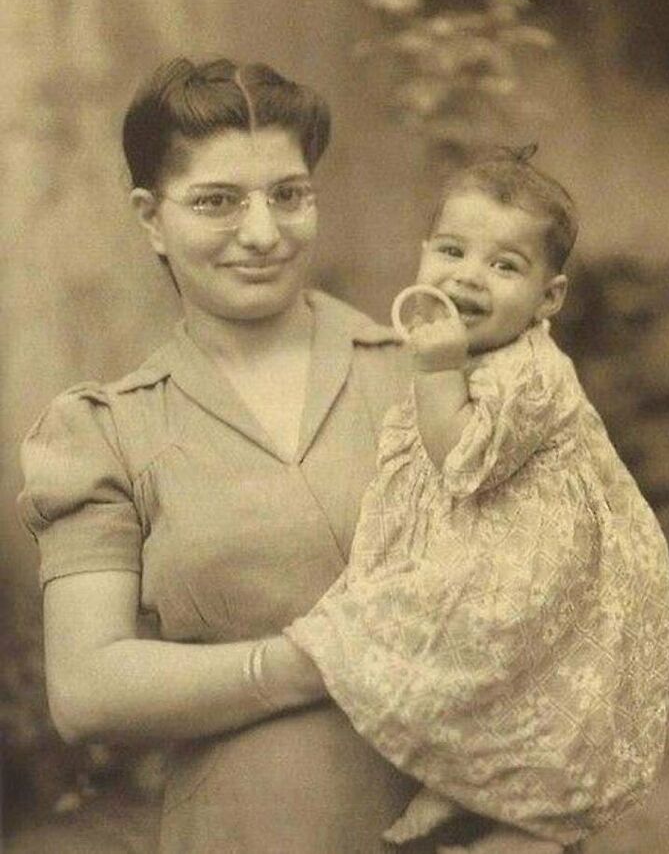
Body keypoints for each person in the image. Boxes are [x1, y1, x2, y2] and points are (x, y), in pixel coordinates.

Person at [17, 56, 479, 854]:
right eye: (217, 201)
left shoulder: (425, 376)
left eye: (289, 195)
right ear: (151, 218)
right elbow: (88, 688)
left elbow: (546, 589)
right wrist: (303, 663)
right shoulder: (106, 430)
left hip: (476, 825)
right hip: (248, 830)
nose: (262, 232)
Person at [286, 147, 669, 852]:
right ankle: (463, 783)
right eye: (453, 250)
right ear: (423, 254)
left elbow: (461, 459)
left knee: (480, 655)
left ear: (547, 298)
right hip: (504, 543)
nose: (469, 275)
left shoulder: (530, 372)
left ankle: (513, 818)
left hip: (544, 569)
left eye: (504, 265)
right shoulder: (477, 353)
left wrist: (435, 369)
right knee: (471, 662)